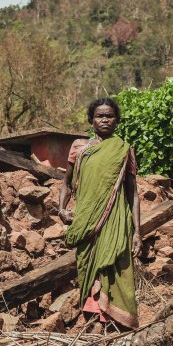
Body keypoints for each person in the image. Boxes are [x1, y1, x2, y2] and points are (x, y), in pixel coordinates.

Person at [58, 97, 140, 330]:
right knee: (88, 265)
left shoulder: (124, 150)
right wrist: (62, 209)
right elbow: (66, 183)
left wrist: (138, 232)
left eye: (109, 116)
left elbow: (132, 193)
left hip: (116, 221)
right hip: (86, 221)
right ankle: (94, 322)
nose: (105, 119)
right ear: (91, 120)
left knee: (117, 269)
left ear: (117, 120)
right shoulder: (79, 147)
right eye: (99, 116)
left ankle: (118, 326)